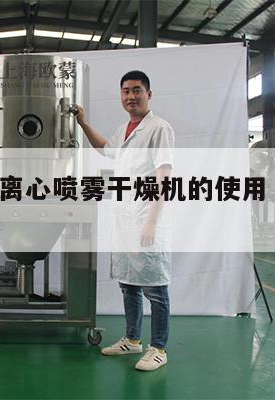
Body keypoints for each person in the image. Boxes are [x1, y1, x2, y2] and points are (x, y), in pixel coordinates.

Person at [76, 70, 174, 372]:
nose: (131, 96)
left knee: (155, 288)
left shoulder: (159, 128)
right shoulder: (125, 130)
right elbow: (105, 149)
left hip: (146, 216)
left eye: (137, 90)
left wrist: (152, 222)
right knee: (128, 284)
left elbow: (164, 175)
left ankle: (159, 348)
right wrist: (83, 123)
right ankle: (132, 340)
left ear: (148, 94)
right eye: (126, 91)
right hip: (124, 218)